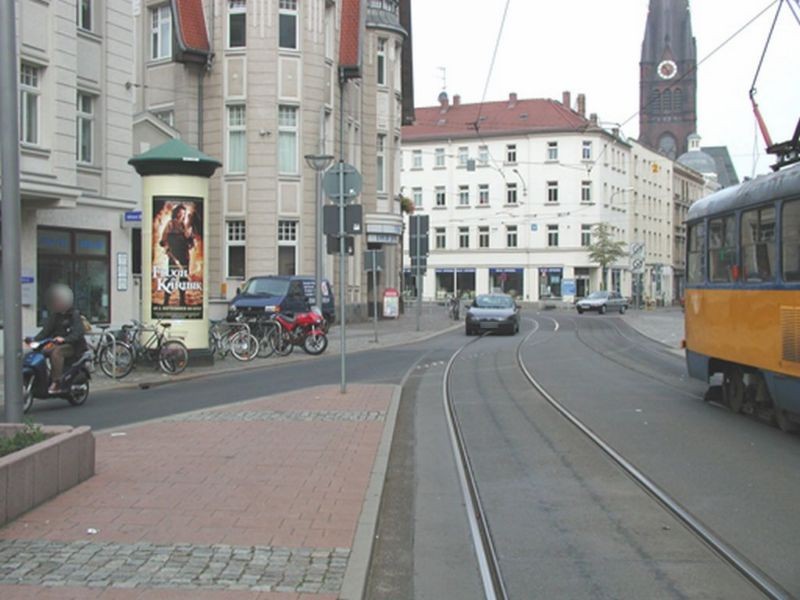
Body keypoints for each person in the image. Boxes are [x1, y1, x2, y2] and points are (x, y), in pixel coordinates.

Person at [27, 284, 86, 394]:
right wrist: (33, 340)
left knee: (57, 352)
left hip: (73, 346)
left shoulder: (74, 315)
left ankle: (56, 382)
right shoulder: (55, 316)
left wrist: (64, 339)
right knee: (40, 352)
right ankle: (43, 377)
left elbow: (78, 333)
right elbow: (45, 331)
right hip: (55, 343)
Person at [159, 204, 195, 307]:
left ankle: (182, 301)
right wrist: (167, 249)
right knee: (171, 278)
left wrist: (190, 241)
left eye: (184, 213)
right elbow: (163, 240)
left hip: (184, 255)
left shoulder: (185, 226)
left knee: (183, 279)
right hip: (174, 255)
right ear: (176, 212)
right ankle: (166, 301)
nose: (182, 215)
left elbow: (190, 242)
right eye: (180, 212)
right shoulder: (170, 224)